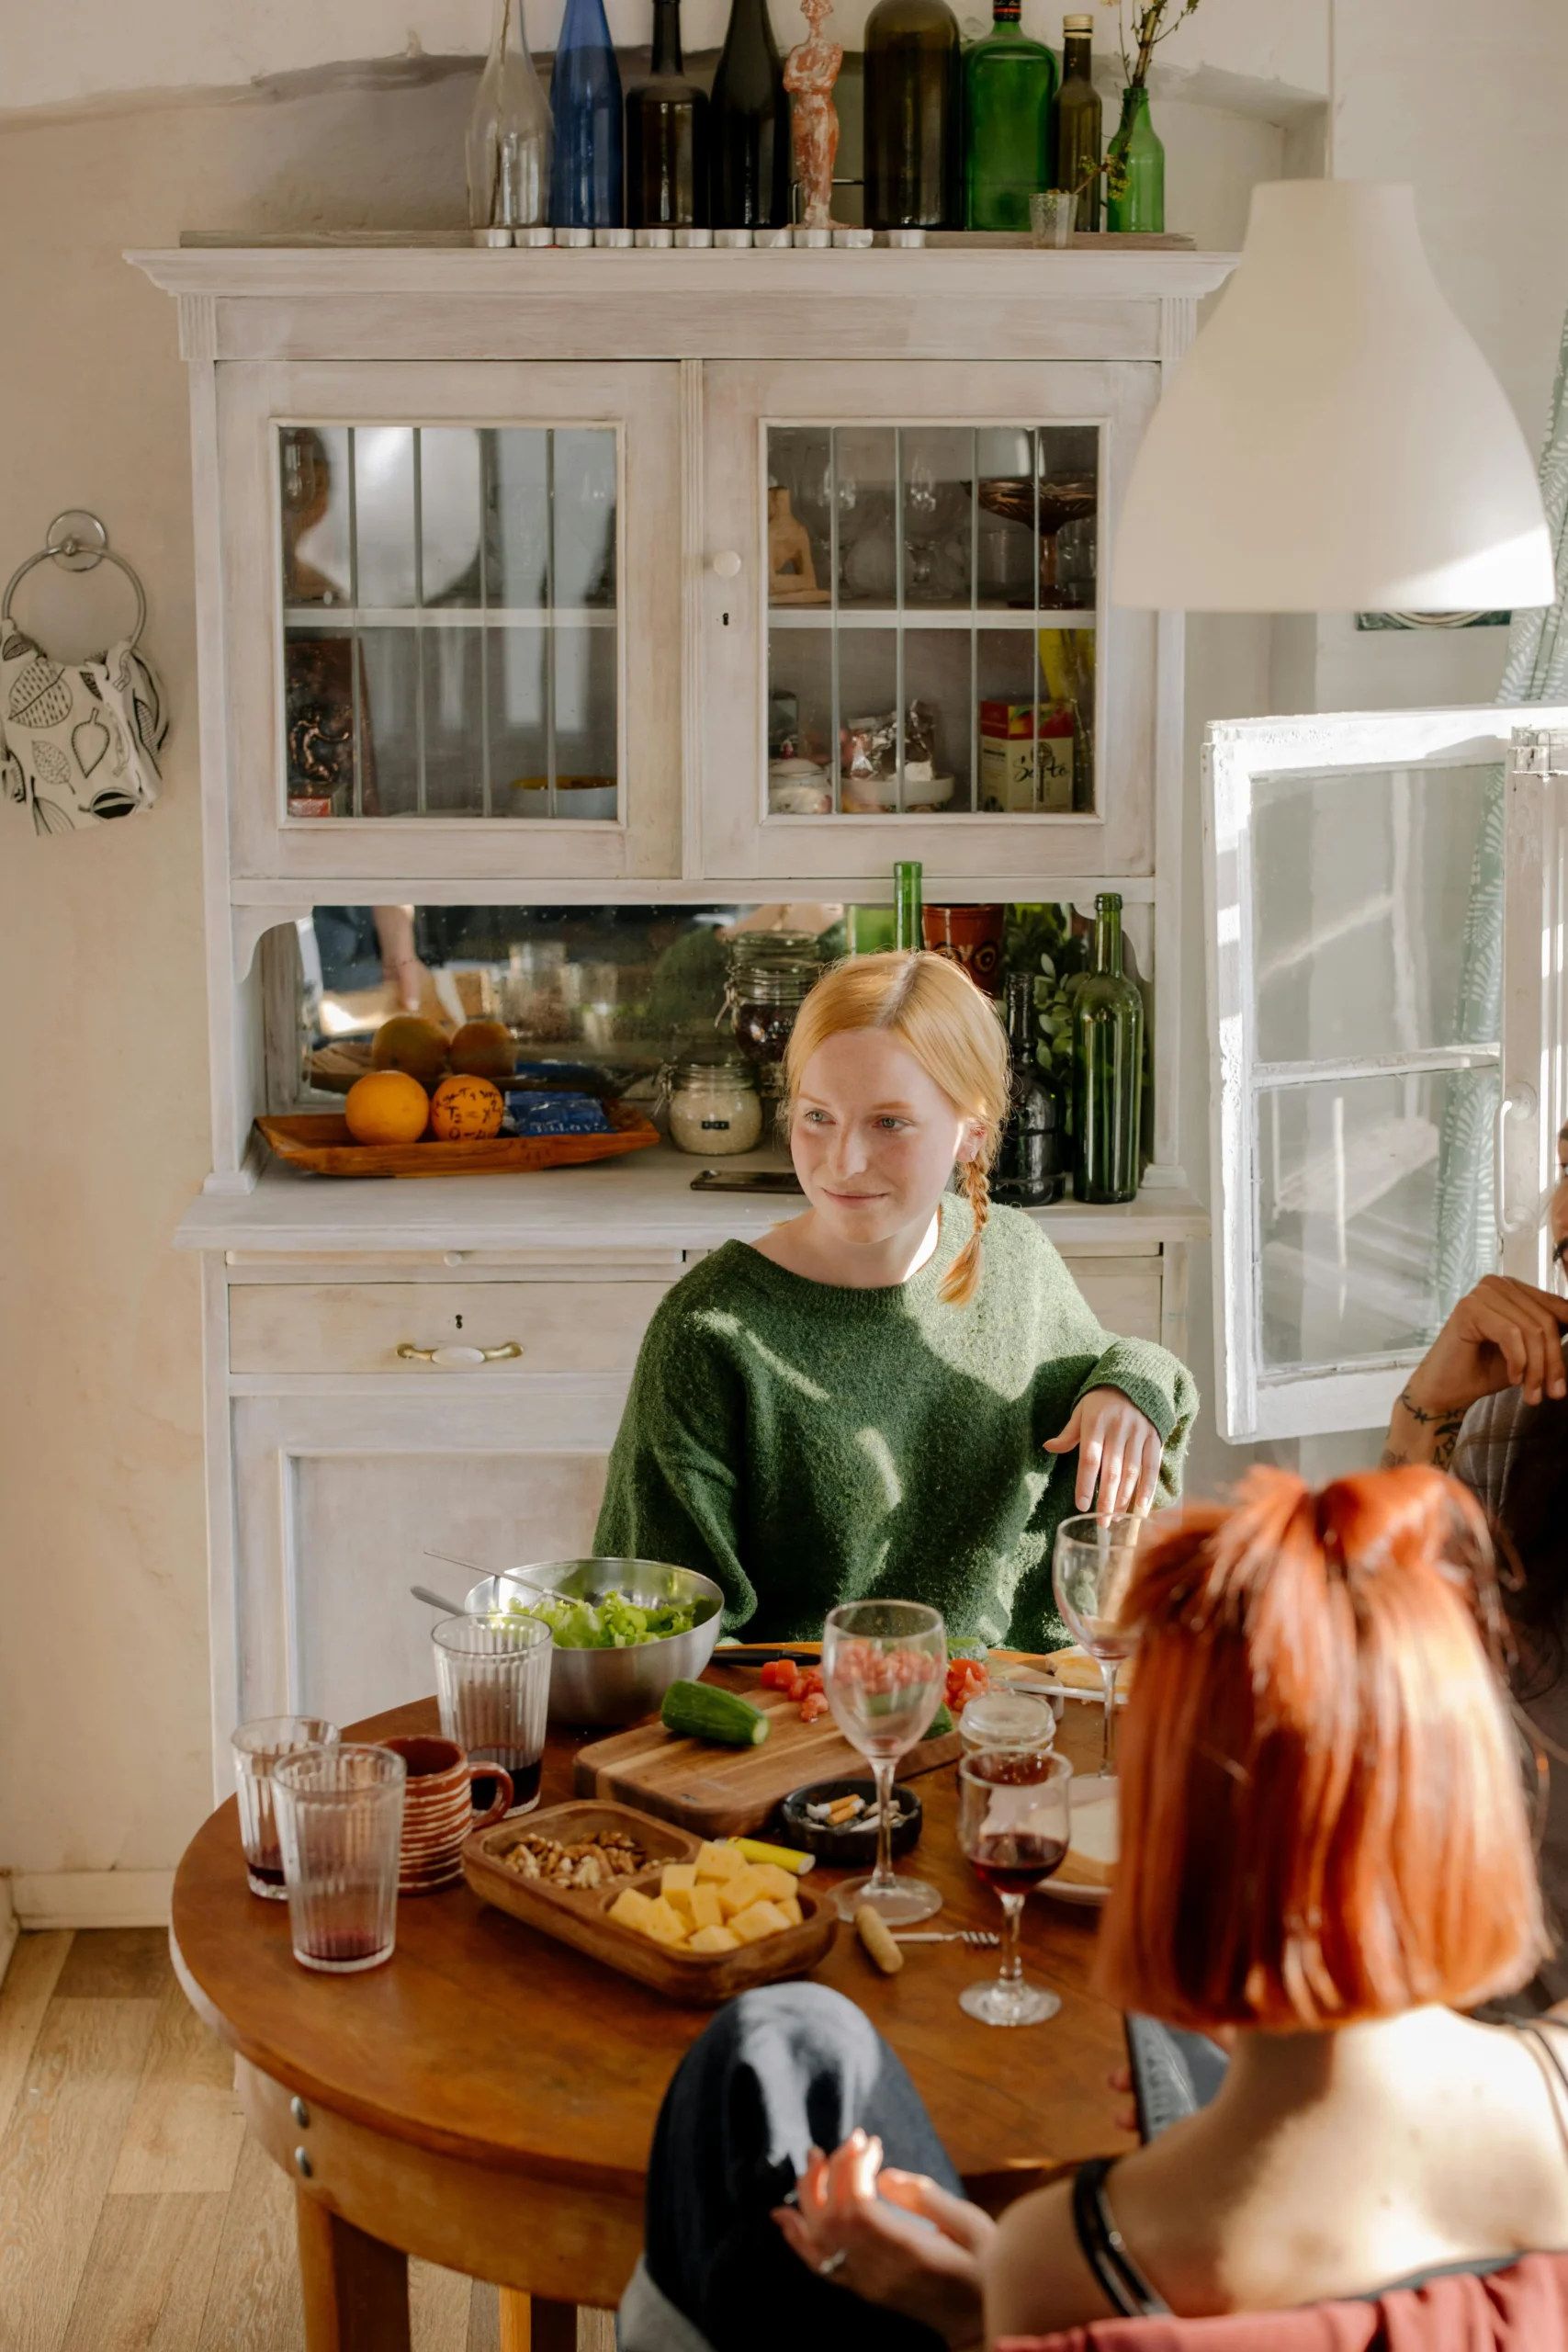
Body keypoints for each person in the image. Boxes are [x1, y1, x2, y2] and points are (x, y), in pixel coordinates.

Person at [622, 1467, 1568, 2352]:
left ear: (1164, 1833)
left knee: (769, 2053)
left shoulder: (1078, 2256)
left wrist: (967, 2303)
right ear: (1474, 1803)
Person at [593, 950, 1198, 1653]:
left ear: (970, 1133)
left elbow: (1111, 1380)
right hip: (806, 1734)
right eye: (818, 1116)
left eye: (889, 1123)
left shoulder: (1012, 1256)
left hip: (1012, 1713)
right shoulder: (708, 1332)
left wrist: (1132, 1386)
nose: (843, 1161)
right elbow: (654, 1632)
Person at [1382, 1114, 1568, 2009]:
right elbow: (1357, 1676)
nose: (1562, 1214)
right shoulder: (1518, 1431)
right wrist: (1424, 1411)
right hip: (1459, 2006)